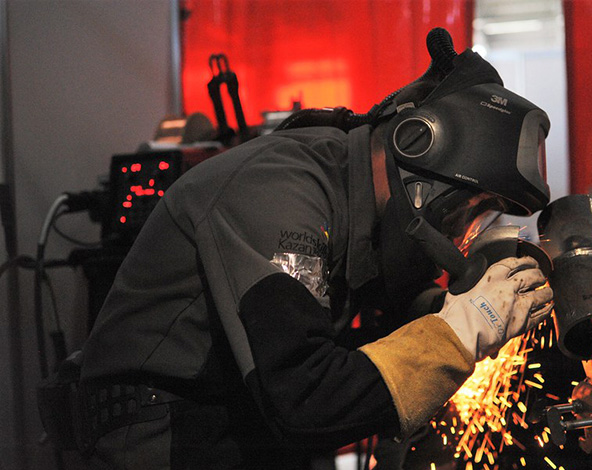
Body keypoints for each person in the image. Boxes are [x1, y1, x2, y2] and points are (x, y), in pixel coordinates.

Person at [77, 28, 554, 469]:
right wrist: (463, 327)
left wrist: (456, 311)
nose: (454, 241)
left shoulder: (352, 205)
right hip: (164, 433)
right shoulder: (281, 187)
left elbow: (377, 330)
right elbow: (304, 396)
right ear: (415, 157)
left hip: (238, 422)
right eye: (460, 215)